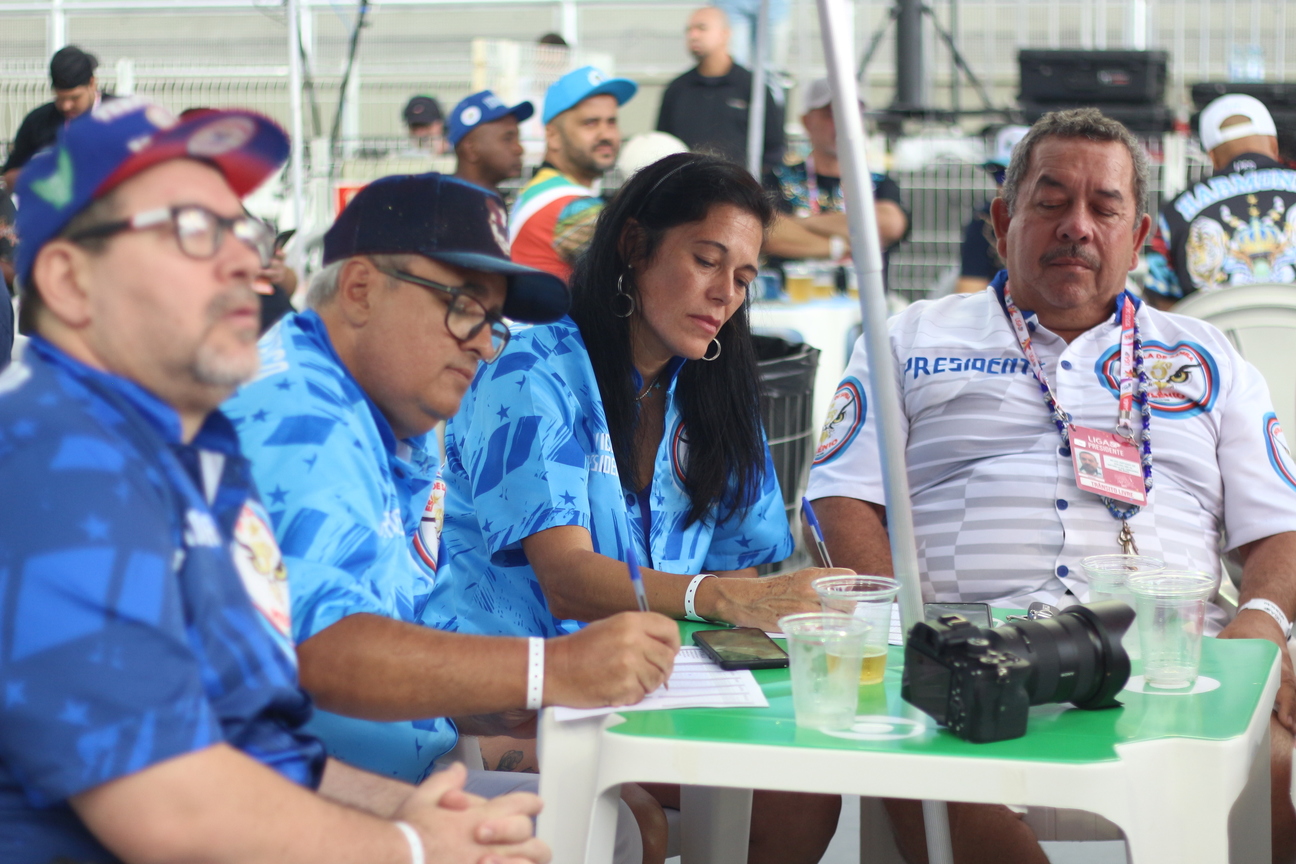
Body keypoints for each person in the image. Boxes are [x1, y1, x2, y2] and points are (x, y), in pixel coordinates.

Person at [0, 97, 548, 864]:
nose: (241, 262)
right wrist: (409, 846)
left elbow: (256, 745)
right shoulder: (49, 458)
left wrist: (422, 815)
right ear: (69, 281)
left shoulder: (192, 454)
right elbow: (170, 806)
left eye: (239, 229)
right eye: (192, 231)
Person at [804, 107, 1296, 863]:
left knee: (1279, 768)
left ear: (1138, 238)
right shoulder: (912, 337)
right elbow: (843, 497)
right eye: (1051, 201)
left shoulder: (1207, 357)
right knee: (936, 776)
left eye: (1105, 208)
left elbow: (1281, 529)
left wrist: (1258, 634)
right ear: (1002, 221)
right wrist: (911, 643)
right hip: (968, 655)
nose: (1078, 226)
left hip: (1173, 663)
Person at [225, 172, 678, 863]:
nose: (484, 343)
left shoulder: (384, 415)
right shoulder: (303, 416)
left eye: (493, 319)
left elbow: (373, 631)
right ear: (360, 290)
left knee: (621, 823)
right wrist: (548, 669)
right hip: (272, 803)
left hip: (355, 775)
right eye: (463, 305)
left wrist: (483, 702)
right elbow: (323, 651)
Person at [438, 152, 847, 864]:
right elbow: (567, 576)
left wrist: (747, 614)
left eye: (744, 278)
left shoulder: (716, 390)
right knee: (642, 822)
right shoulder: (531, 372)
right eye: (706, 260)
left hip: (659, 690)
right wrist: (715, 600)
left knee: (805, 793)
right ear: (633, 245)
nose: (725, 294)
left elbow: (746, 573)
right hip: (518, 691)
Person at [1145, 93, 1296, 305]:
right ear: (1274, 144)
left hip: (1218, 334)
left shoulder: (1175, 211)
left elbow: (1159, 296)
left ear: (1212, 157)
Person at [763, 78, 909, 288]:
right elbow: (767, 233)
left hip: (860, 310)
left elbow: (890, 225)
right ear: (807, 121)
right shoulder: (776, 179)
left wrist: (798, 224)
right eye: (831, 114)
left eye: (850, 113)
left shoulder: (876, 181)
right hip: (792, 310)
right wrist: (841, 246)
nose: (842, 123)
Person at [509, 65, 636, 282]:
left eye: (611, 122)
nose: (606, 134)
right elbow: (646, 274)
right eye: (590, 123)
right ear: (553, 135)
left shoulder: (541, 187)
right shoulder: (572, 208)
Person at [655, 6, 785, 169]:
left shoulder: (753, 87)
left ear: (725, 33)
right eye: (689, 30)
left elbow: (774, 147)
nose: (693, 35)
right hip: (687, 189)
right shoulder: (676, 90)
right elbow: (661, 146)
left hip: (739, 190)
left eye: (702, 28)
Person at [1, 45, 109, 190]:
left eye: (74, 98)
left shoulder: (121, 115)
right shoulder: (38, 121)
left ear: (92, 83)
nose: (66, 106)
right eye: (60, 97)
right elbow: (10, 177)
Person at [956, 124, 1029, 294]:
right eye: (997, 173)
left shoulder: (1064, 220)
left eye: (1016, 174)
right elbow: (969, 290)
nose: (1004, 184)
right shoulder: (984, 218)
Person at [449, 90, 533, 197]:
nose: (519, 149)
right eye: (507, 139)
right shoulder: (447, 209)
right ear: (471, 149)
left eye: (518, 138)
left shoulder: (489, 202)